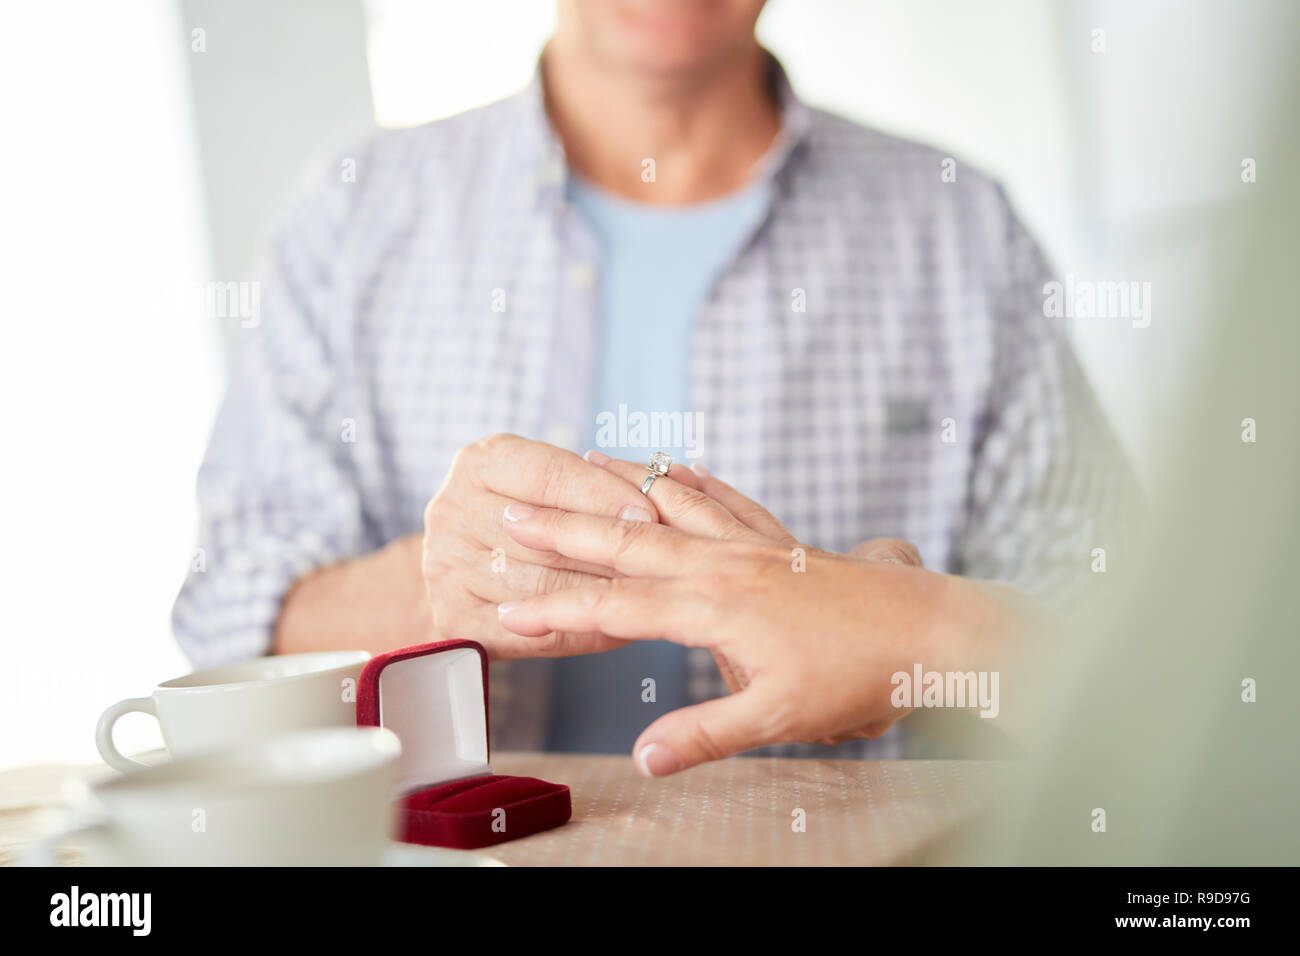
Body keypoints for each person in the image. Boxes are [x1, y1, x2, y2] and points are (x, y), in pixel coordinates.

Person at [173, 0, 1131, 760]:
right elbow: (227, 622)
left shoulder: (962, 230)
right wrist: (431, 590)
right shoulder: (352, 218)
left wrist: (920, 631)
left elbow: (1131, 657)